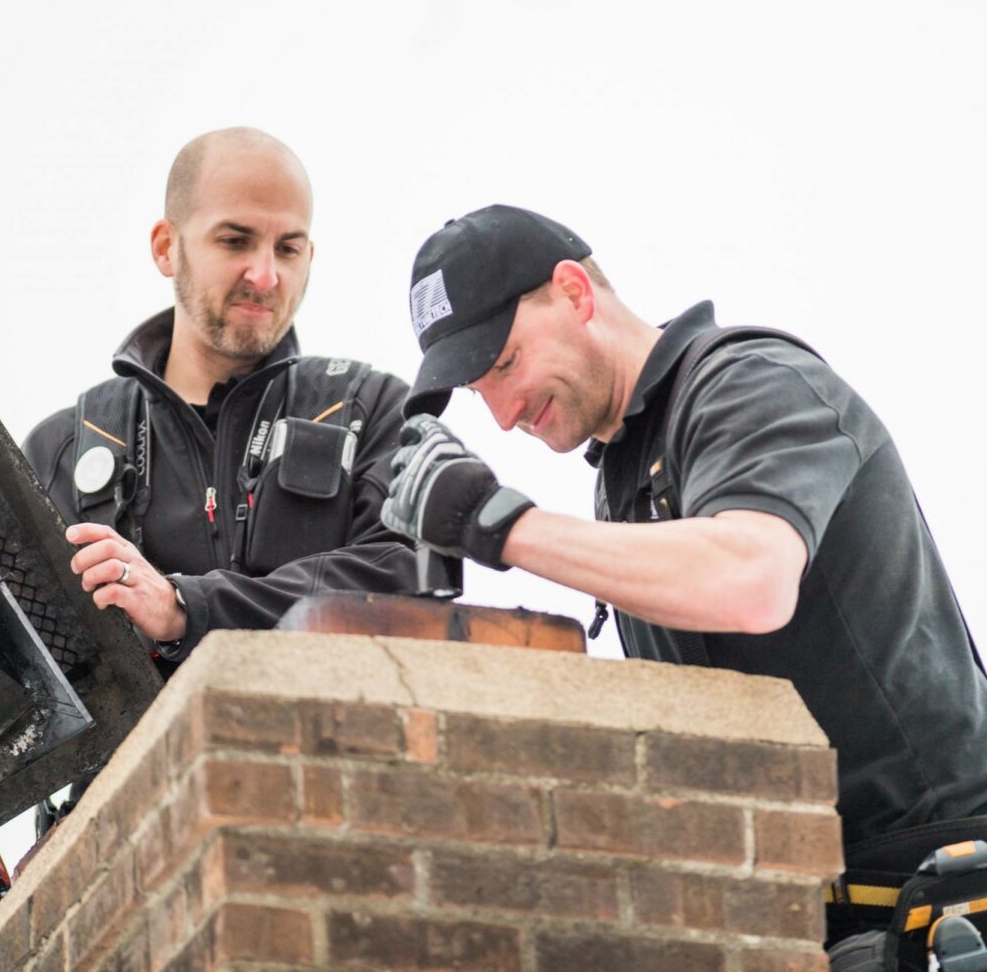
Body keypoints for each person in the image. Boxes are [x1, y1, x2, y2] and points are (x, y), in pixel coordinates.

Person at [382, 203, 987, 962]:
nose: (502, 416)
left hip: (944, 902)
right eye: (477, 391)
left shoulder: (749, 383)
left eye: (503, 364)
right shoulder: (626, 479)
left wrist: (499, 523)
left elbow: (750, 580)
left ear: (574, 292)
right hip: (816, 919)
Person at [24, 127, 415, 673]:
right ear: (167, 247)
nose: (265, 275)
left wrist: (186, 605)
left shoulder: (370, 409)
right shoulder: (63, 451)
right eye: (235, 241)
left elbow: (408, 577)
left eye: (288, 248)